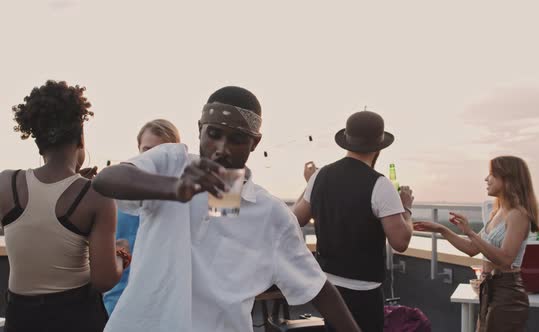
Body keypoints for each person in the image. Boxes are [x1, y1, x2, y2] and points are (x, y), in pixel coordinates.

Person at [93, 86, 361, 332]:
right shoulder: (171, 163)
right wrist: (175, 188)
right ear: (199, 129)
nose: (221, 149)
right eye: (213, 134)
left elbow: (320, 291)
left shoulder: (270, 214)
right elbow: (106, 181)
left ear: (255, 143)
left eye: (237, 139)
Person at [0, 80, 130, 332]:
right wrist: (121, 255)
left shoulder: (6, 183)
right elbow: (103, 280)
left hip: (20, 319)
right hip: (76, 318)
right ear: (80, 137)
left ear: (37, 139)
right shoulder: (96, 195)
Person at [292, 110, 415, 332]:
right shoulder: (380, 185)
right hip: (364, 291)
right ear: (379, 147)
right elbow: (400, 242)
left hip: (328, 287)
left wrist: (310, 184)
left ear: (347, 142)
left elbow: (295, 219)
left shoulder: (320, 176)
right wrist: (406, 208)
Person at [414, 156, 538, 332]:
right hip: (490, 288)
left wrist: (470, 232)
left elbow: (505, 259)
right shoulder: (497, 212)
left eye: (492, 174)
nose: (486, 179)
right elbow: (472, 249)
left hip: (507, 293)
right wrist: (442, 230)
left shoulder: (518, 215)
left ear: (508, 178)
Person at [102, 119, 181, 315]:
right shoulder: (116, 198)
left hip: (168, 306)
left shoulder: (186, 199)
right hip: (121, 304)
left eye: (159, 152)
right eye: (146, 150)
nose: (151, 159)